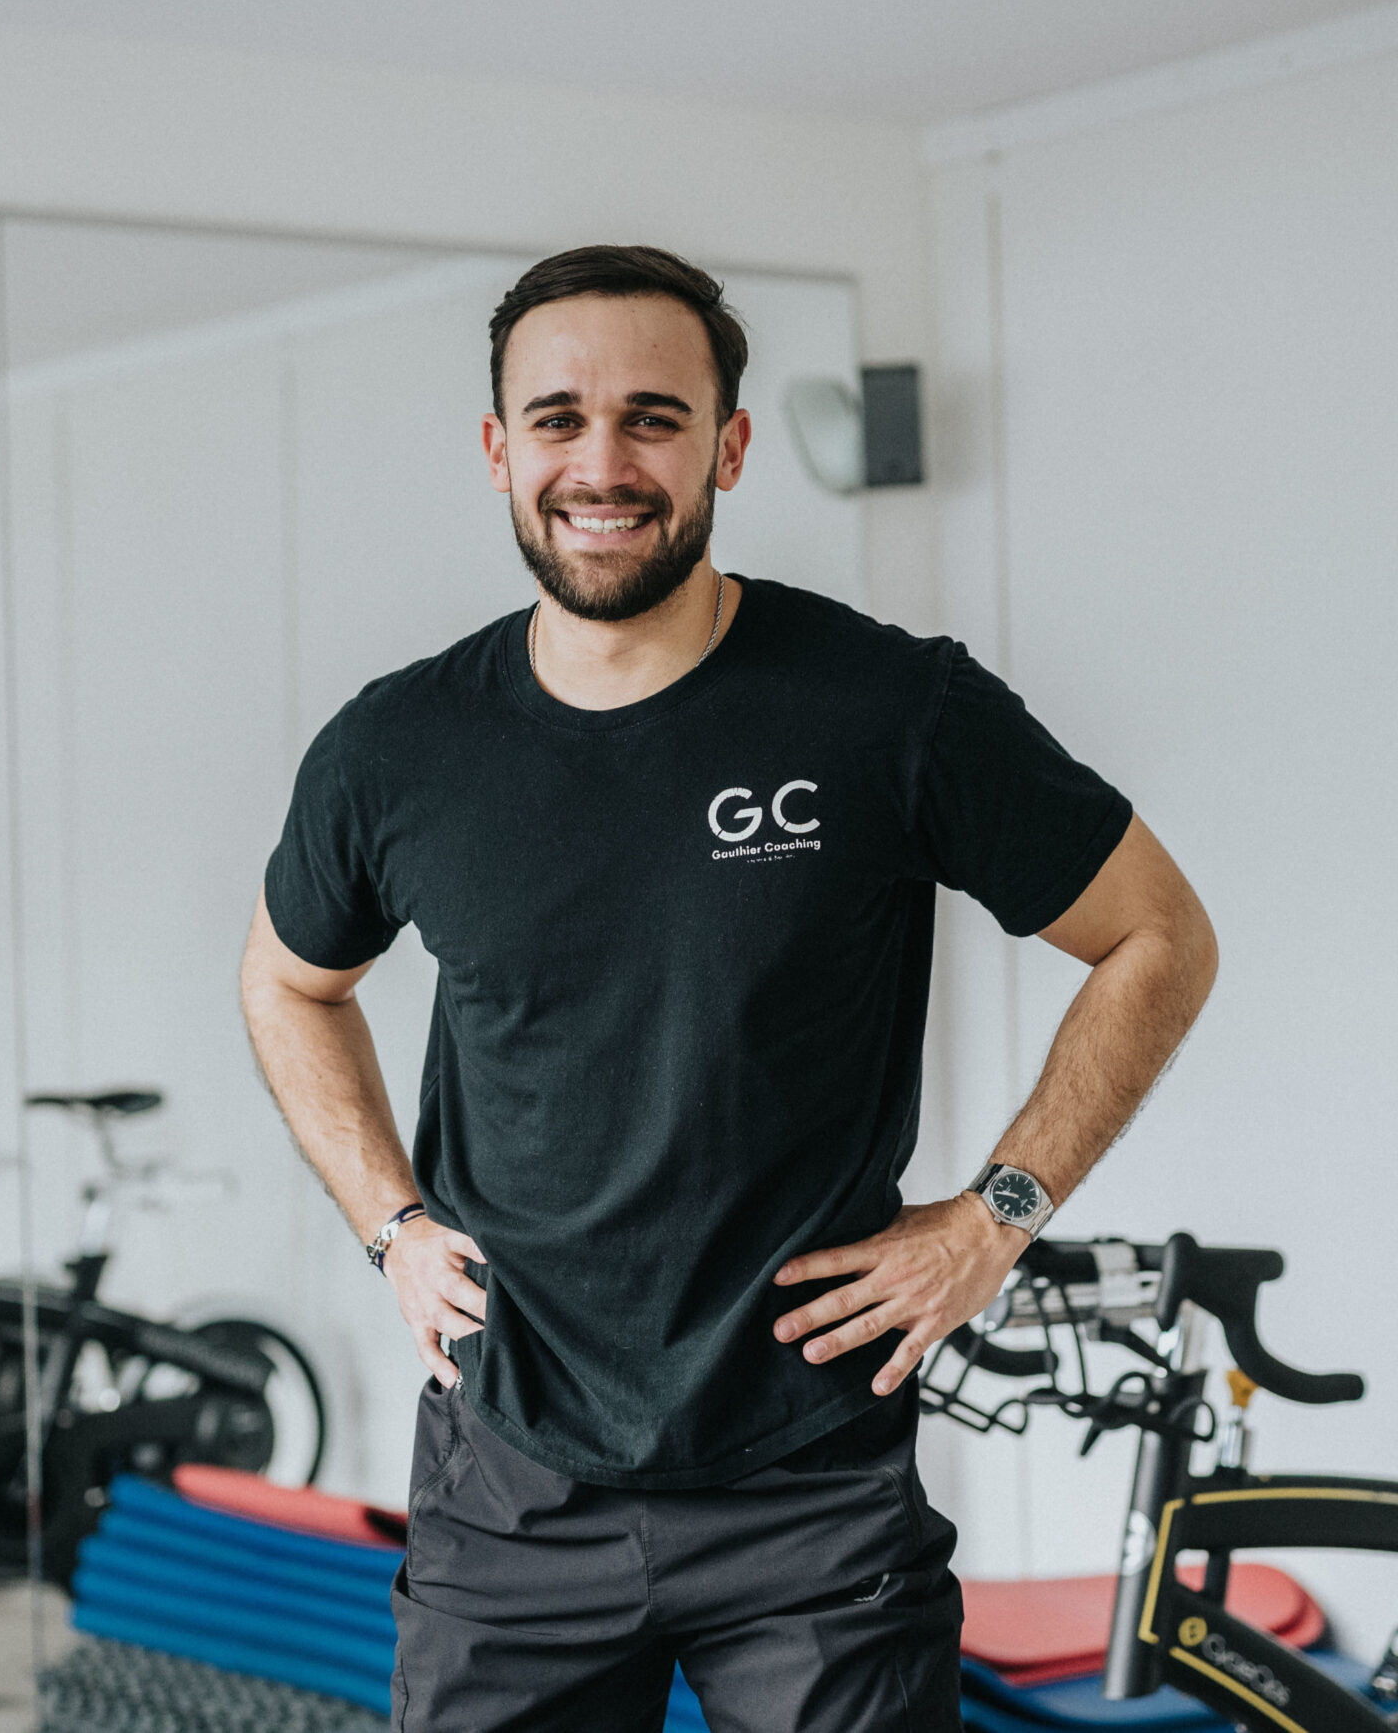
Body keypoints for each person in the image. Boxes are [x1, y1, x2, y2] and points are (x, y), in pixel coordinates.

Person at [238, 244, 1217, 1731]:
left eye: (653, 416)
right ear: (500, 449)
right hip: (512, 1480)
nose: (602, 461)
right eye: (558, 418)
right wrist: (389, 1221)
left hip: (810, 1491)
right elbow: (288, 983)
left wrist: (994, 1216)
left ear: (729, 445)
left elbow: (1157, 935)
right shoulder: (397, 751)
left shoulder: (889, 708)